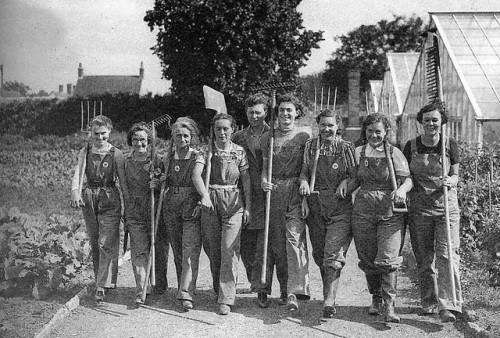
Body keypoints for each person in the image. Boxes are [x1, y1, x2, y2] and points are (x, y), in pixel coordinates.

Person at [402, 99, 463, 322]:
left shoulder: (449, 145)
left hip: (445, 207)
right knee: (424, 258)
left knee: (447, 254)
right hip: (419, 209)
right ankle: (429, 301)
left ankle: (450, 305)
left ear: (442, 122)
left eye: (435, 120)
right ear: (421, 122)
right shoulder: (412, 146)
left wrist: (452, 180)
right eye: (426, 120)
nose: (431, 123)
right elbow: (407, 175)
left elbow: (456, 174)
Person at [349, 113, 412, 323]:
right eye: (370, 131)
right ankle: (376, 297)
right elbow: (354, 179)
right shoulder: (358, 152)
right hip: (363, 210)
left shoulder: (395, 153)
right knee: (367, 257)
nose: (374, 135)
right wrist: (344, 186)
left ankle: (390, 306)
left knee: (388, 258)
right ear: (364, 132)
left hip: (390, 211)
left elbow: (408, 180)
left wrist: (402, 189)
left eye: (378, 131)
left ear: (386, 132)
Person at [192, 113, 251, 315]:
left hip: (233, 202)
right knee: (213, 249)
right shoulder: (205, 150)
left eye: (226, 128)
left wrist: (249, 206)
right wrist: (205, 196)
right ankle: (219, 288)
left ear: (232, 129)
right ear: (213, 130)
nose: (222, 132)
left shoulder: (239, 152)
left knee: (229, 248)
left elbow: (247, 181)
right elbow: (196, 175)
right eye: (218, 128)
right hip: (211, 202)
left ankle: (226, 298)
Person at [299, 109, 356, 318]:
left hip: (339, 207)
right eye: (323, 125)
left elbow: (355, 176)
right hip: (316, 206)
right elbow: (304, 171)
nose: (326, 129)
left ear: (337, 126)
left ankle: (329, 300)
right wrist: (304, 183)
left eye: (330, 125)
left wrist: (345, 182)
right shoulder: (311, 146)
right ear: (318, 126)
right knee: (320, 254)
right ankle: (327, 293)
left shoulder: (346, 147)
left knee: (332, 254)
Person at [260, 93, 311, 311]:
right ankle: (283, 288)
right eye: (281, 110)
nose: (285, 114)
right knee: (278, 246)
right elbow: (264, 169)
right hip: (274, 194)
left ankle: (295, 291)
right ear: (276, 113)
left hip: (295, 193)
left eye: (289, 110)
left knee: (294, 240)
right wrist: (264, 182)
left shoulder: (305, 136)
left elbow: (308, 168)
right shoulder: (267, 138)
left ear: (297, 113)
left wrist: (304, 185)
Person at [70, 115, 128, 301]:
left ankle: (101, 286)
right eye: (96, 134)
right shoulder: (85, 150)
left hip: (110, 198)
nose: (100, 138)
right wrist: (75, 191)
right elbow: (79, 172)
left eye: (103, 134)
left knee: (106, 241)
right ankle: (102, 280)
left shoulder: (116, 154)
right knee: (95, 242)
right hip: (89, 197)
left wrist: (128, 205)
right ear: (90, 133)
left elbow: (123, 182)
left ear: (109, 132)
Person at [232, 93, 271, 308]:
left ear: (265, 112)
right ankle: (253, 279)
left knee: (263, 244)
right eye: (250, 112)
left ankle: (262, 287)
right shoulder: (238, 137)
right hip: (244, 193)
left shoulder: (273, 134)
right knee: (246, 243)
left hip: (267, 194)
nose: (254, 116)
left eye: (258, 112)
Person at [162, 117, 202, 311]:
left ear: (191, 137)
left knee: (190, 248)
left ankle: (187, 293)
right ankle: (182, 287)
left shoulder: (197, 156)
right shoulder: (167, 157)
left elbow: (201, 180)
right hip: (171, 206)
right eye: (178, 135)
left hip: (191, 205)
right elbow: (163, 179)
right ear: (173, 137)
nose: (182, 139)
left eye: (186, 135)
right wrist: (158, 180)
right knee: (178, 249)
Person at [122, 122, 163, 304]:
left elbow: (165, 181)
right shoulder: (125, 161)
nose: (139, 144)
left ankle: (159, 284)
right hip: (134, 209)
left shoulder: (156, 160)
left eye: (143, 140)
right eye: (135, 140)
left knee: (156, 247)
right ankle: (141, 289)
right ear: (131, 141)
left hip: (154, 208)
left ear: (149, 141)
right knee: (139, 249)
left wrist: (158, 183)